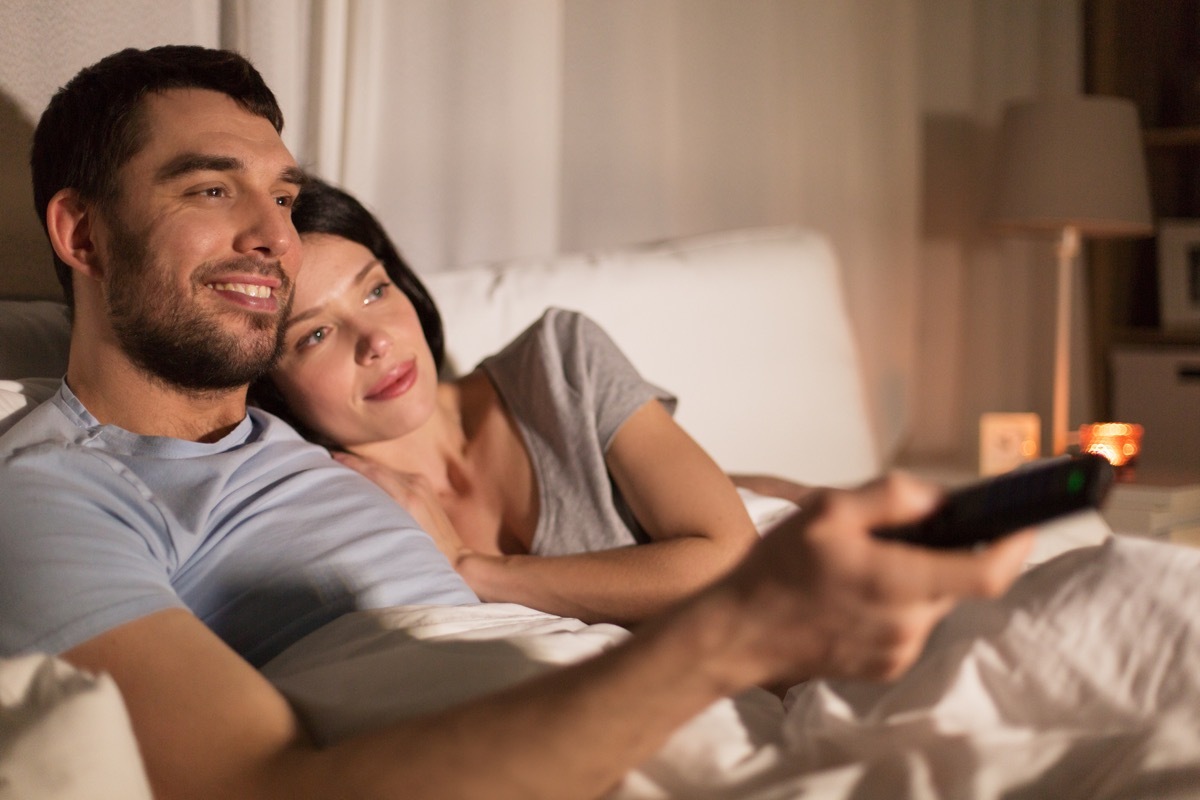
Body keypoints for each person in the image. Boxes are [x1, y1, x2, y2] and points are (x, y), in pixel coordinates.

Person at [0, 45, 1031, 800]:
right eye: (213, 189)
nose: (273, 235)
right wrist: (733, 634)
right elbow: (264, 783)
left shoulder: (305, 439)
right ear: (82, 231)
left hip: (665, 701)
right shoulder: (49, 493)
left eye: (282, 195)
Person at [249, 177, 761, 626]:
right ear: (272, 384)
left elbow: (731, 559)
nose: (375, 341)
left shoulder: (560, 363)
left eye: (375, 292)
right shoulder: (320, 501)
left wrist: (475, 568)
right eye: (315, 335)